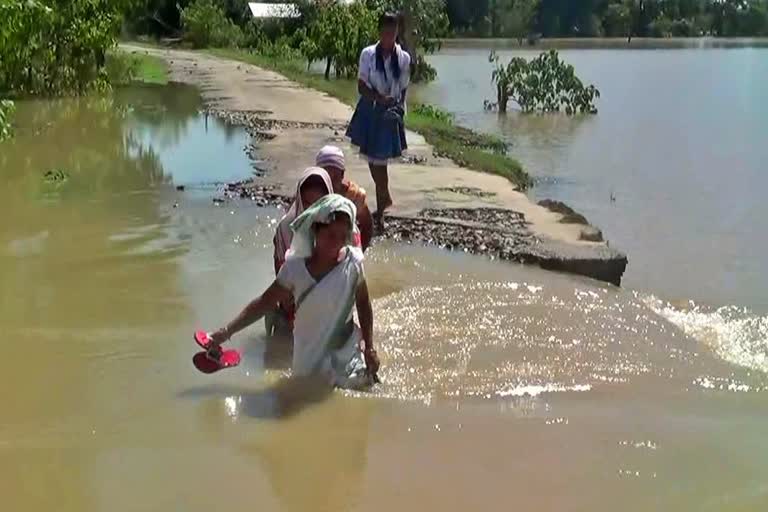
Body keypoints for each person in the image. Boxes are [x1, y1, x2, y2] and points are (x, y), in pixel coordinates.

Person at [210, 195, 380, 389]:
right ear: (316, 230)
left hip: (346, 354)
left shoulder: (353, 265)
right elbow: (264, 302)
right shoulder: (295, 270)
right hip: (308, 359)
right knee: (305, 396)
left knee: (362, 391)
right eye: (331, 235)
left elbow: (364, 304)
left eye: (342, 237)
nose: (336, 243)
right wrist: (226, 332)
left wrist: (370, 347)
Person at [347, 12, 411, 222]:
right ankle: (384, 199)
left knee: (380, 160)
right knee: (371, 158)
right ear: (379, 32)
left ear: (397, 33)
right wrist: (377, 97)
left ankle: (382, 205)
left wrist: (399, 109)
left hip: (389, 111)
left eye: (392, 33)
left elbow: (403, 88)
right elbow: (361, 84)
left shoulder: (403, 58)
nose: (388, 37)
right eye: (385, 32)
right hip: (370, 108)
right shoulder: (368, 54)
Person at [315, 145, 374, 250]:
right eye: (326, 177)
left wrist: (359, 252)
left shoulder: (354, 196)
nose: (330, 183)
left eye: (335, 177)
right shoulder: (310, 192)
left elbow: (367, 226)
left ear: (342, 175)